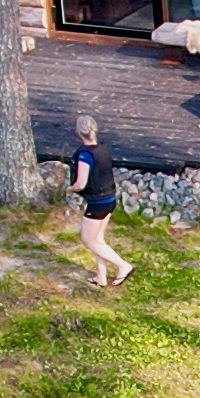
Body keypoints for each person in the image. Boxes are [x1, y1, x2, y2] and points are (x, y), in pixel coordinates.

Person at [69, 111, 132, 288]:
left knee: (88, 240)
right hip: (110, 198)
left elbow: (81, 184)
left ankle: (123, 266)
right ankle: (101, 277)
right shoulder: (103, 149)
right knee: (99, 240)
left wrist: (69, 189)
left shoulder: (85, 155)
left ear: (79, 133)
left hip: (97, 203)